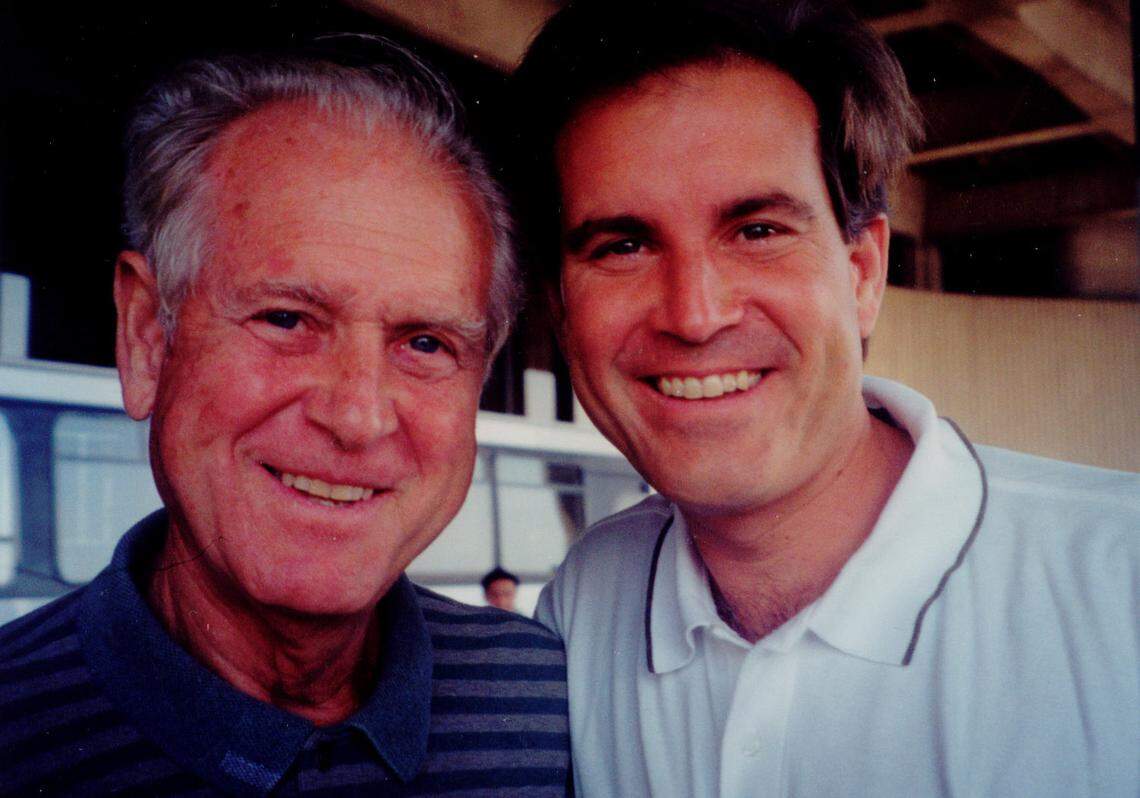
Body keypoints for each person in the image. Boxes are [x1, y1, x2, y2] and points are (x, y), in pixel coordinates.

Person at [510, 2, 1140, 795]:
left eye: (758, 230)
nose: (696, 315)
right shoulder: (581, 607)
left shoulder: (1122, 586)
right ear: (560, 309)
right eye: (624, 245)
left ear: (863, 273)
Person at [0, 40, 570, 796]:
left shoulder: (551, 706)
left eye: (426, 342)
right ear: (145, 336)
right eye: (285, 318)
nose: (358, 415)